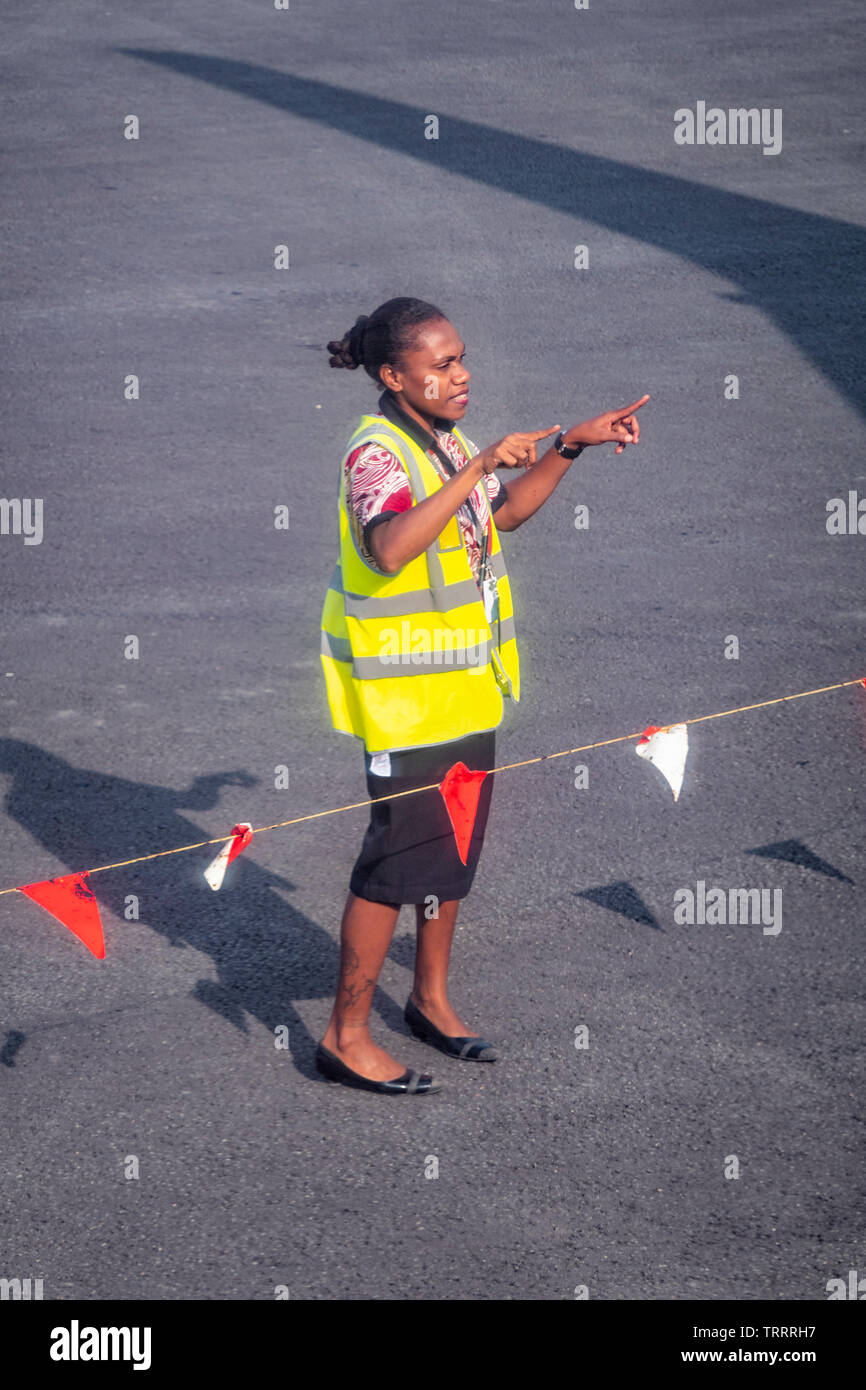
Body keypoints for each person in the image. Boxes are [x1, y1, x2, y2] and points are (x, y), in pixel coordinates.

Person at [318, 297, 648, 1094]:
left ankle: (430, 999)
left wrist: (570, 445)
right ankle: (343, 1035)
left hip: (465, 690)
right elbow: (391, 547)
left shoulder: (445, 436)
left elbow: (497, 518)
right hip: (405, 698)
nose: (460, 374)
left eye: (460, 358)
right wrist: (475, 464)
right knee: (394, 863)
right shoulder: (378, 452)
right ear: (396, 376)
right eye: (440, 365)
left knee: (452, 853)